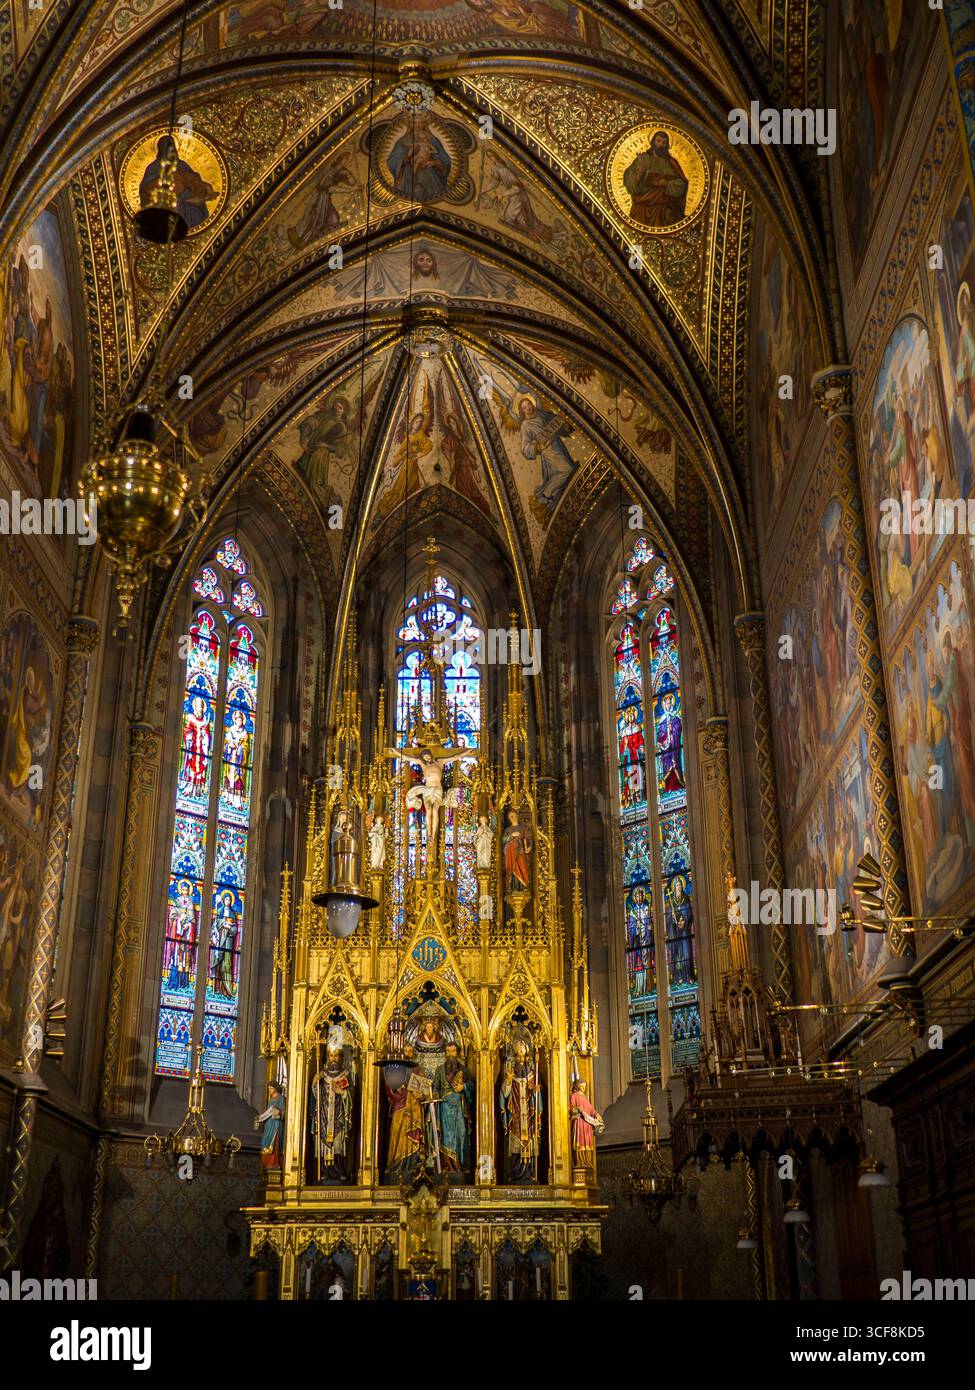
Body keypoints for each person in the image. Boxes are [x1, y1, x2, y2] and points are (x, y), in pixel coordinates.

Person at [622, 129, 689, 227]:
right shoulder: (643, 158)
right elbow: (629, 180)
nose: (662, 145)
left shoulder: (671, 162)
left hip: (663, 210)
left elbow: (683, 184)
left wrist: (667, 184)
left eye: (665, 142)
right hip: (642, 208)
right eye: (659, 141)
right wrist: (638, 175)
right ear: (653, 142)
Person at [569, 1079, 604, 1170]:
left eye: (584, 1086)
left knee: (587, 1142)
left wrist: (597, 1114)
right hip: (580, 1122)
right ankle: (580, 1162)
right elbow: (571, 1108)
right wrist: (577, 1109)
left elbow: (591, 1109)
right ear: (578, 1086)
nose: (583, 1088)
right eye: (582, 1086)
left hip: (587, 1124)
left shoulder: (585, 1097)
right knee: (580, 1141)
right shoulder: (574, 1096)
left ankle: (587, 1162)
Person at [255, 1084, 285, 1170]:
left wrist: (278, 1112)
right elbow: (267, 1113)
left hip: (276, 1125)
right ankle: (266, 1163)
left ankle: (273, 1163)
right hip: (269, 1124)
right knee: (265, 1143)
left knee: (274, 1145)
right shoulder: (271, 1099)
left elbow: (284, 1112)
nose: (270, 1090)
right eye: (269, 1089)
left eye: (271, 1089)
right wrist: (260, 1118)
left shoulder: (281, 1098)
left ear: (275, 1089)